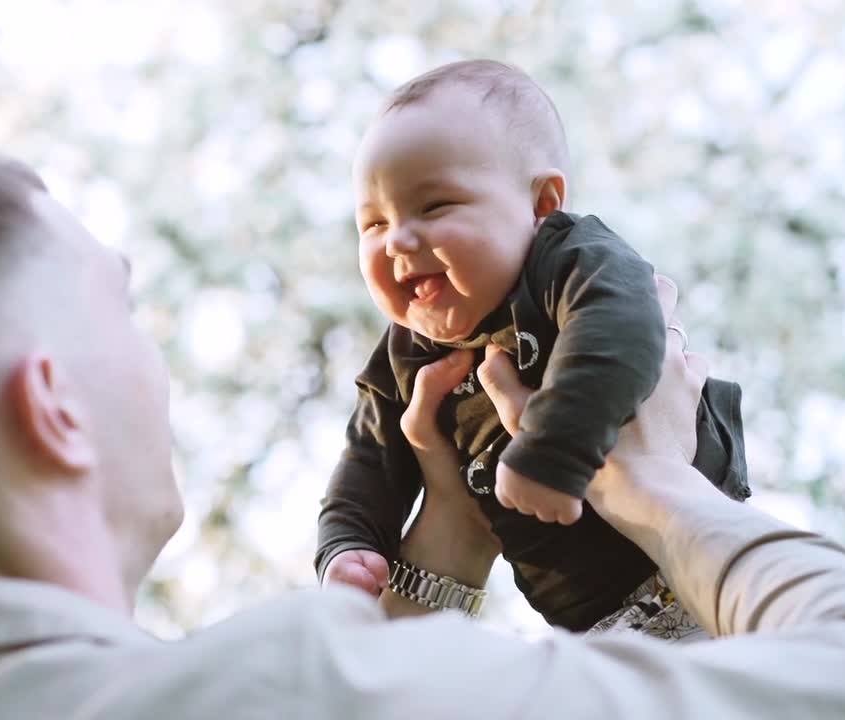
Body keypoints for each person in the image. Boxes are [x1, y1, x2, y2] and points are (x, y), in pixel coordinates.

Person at [0, 147, 845, 719]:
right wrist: (667, 491)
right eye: (116, 310)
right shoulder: (298, 687)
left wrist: (448, 528)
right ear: (54, 406)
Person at [317, 59, 747, 634]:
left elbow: (619, 331)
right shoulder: (404, 356)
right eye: (372, 224)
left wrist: (555, 448)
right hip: (595, 623)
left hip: (698, 565)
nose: (399, 239)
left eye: (435, 206)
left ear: (543, 204)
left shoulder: (567, 262)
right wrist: (347, 546)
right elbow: (369, 459)